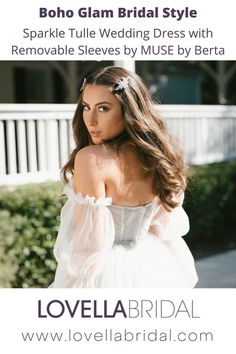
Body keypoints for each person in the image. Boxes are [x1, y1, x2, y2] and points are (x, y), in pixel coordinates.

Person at [49, 66, 198, 288]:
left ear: (128, 109)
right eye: (86, 107)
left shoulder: (91, 159)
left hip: (105, 272)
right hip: (155, 264)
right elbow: (164, 227)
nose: (90, 120)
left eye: (103, 108)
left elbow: (87, 249)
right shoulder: (158, 157)